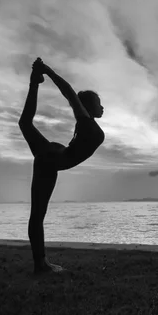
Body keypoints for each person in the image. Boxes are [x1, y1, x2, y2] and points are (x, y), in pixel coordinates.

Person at [18, 58, 105, 274]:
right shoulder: (85, 122)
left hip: (54, 154)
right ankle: (41, 265)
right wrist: (48, 70)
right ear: (88, 107)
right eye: (98, 103)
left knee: (24, 123)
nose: (102, 106)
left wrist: (42, 75)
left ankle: (34, 82)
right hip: (50, 161)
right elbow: (68, 92)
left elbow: (71, 96)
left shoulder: (87, 124)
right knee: (37, 215)